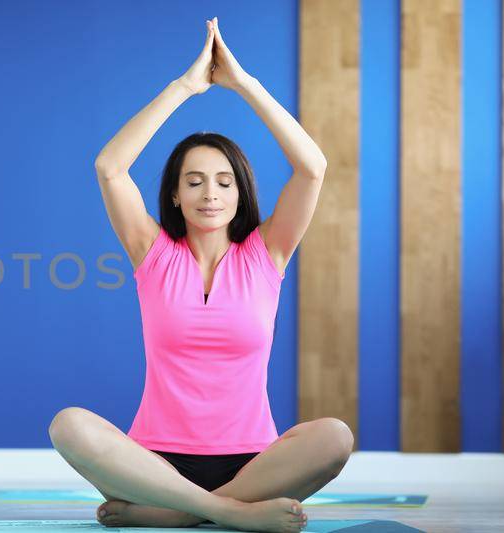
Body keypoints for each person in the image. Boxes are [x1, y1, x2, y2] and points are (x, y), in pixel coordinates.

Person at [47, 17, 352, 533]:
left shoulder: (268, 252)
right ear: (174, 194)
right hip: (153, 465)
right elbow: (109, 167)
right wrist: (185, 87)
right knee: (68, 425)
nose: (210, 194)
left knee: (336, 436)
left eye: (223, 181)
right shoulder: (152, 252)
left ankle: (173, 517)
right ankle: (226, 514)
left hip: (254, 465)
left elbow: (313, 167)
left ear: (240, 193)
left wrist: (245, 85)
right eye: (194, 181)